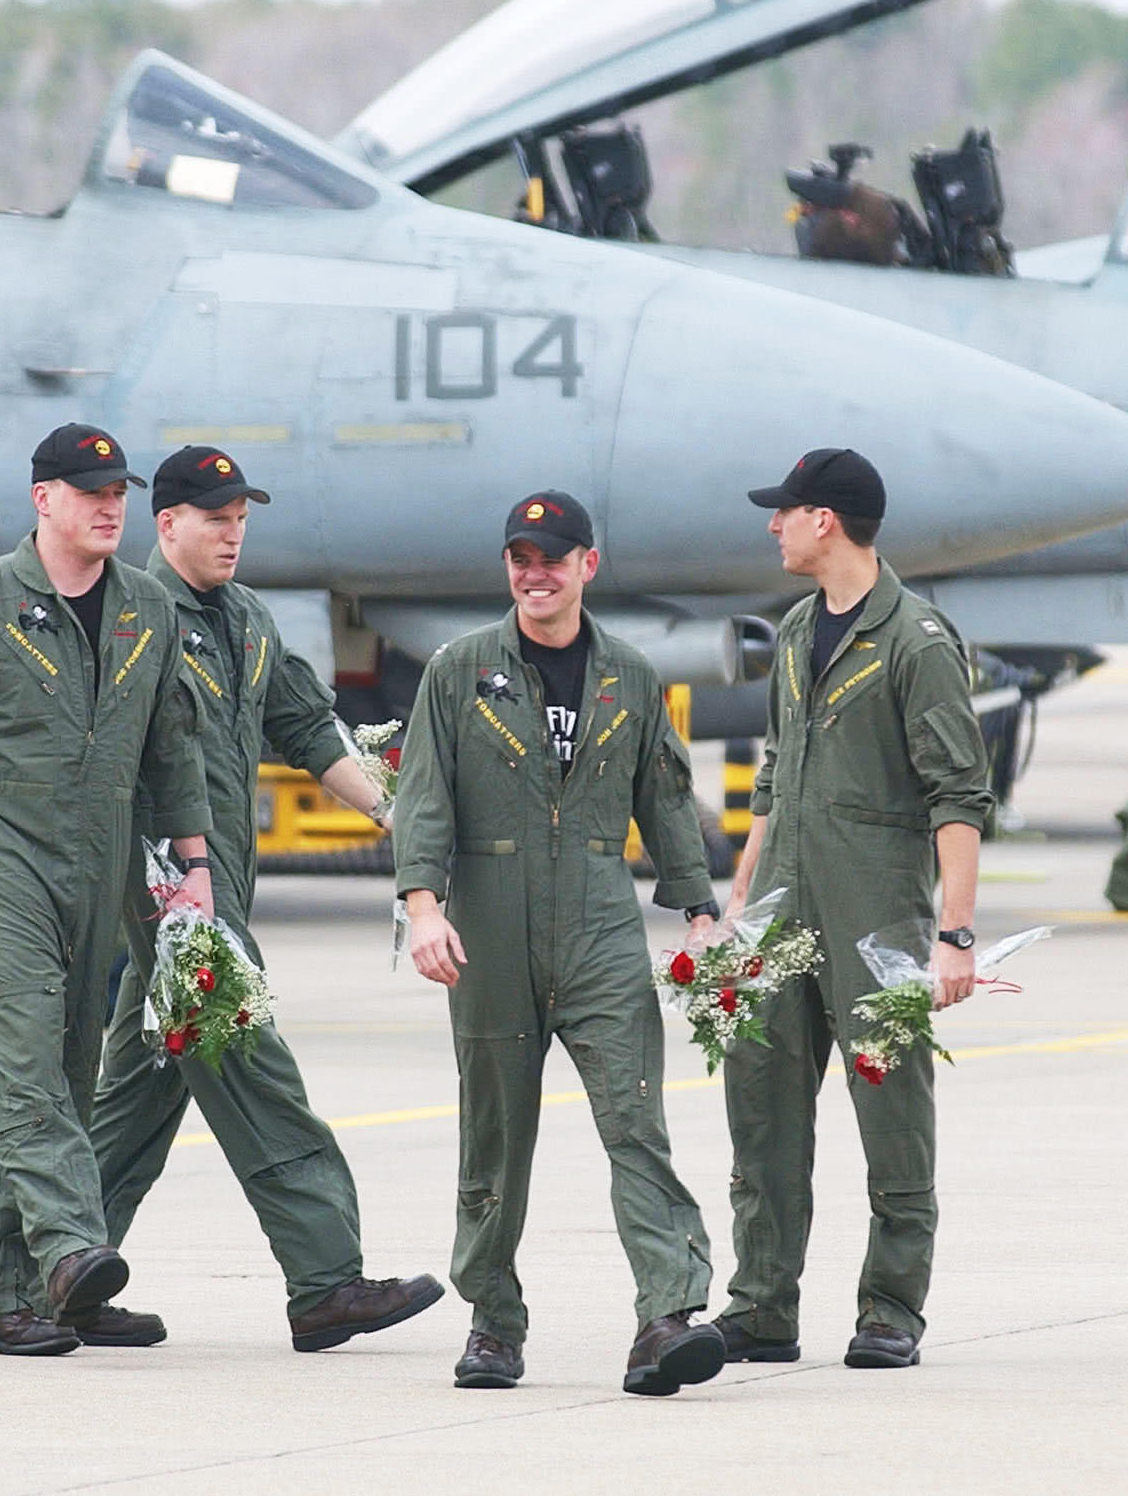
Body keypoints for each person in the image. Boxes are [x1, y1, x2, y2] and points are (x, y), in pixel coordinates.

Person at [0, 422, 213, 1357]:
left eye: (118, 493)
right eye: (88, 490)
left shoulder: (146, 606)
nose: (108, 506)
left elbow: (171, 749)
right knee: (24, 1063)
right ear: (42, 498)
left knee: (61, 1075)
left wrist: (194, 870)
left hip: (98, 859)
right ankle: (68, 1252)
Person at [82, 446, 443, 1350]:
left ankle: (42, 1272)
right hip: (167, 890)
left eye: (242, 517)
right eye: (215, 518)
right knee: (250, 1064)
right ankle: (326, 1280)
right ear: (166, 525)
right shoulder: (131, 616)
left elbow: (306, 728)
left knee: (139, 1092)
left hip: (222, 879)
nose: (233, 533)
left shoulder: (247, 618)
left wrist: (398, 814)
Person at [394, 491, 728, 1395]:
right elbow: (422, 797)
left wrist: (699, 908)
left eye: (552, 557)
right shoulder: (459, 671)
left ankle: (667, 1315)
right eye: (519, 558)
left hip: (598, 919)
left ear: (588, 563)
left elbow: (663, 797)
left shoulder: (629, 674)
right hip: (489, 925)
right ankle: (493, 1324)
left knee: (634, 1118)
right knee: (495, 1138)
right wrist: (424, 907)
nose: (534, 574)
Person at [717, 448, 993, 1371]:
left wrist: (953, 936)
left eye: (784, 511)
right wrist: (740, 905)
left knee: (892, 1116)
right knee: (759, 1109)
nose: (773, 525)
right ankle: (761, 1306)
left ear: (824, 520)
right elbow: (771, 773)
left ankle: (891, 1310)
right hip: (783, 911)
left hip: (877, 918)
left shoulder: (917, 639)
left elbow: (959, 794)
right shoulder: (798, 629)